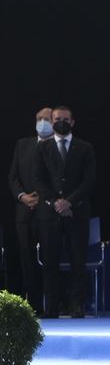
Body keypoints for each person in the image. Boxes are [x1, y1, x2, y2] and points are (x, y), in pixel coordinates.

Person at [28, 105, 95, 318]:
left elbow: (89, 180)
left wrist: (70, 203)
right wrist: (55, 202)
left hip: (77, 212)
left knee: (78, 261)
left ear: (73, 122)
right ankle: (53, 306)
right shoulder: (42, 148)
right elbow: (38, 179)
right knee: (50, 261)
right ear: (52, 120)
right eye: (57, 119)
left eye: (65, 119)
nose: (61, 122)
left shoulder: (85, 148)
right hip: (49, 214)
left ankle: (76, 305)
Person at [8, 107, 52, 313]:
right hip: (24, 212)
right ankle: (32, 305)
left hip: (50, 212)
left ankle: (53, 304)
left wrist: (43, 198)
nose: (42, 122)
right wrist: (23, 197)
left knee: (50, 258)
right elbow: (13, 177)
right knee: (27, 259)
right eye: (39, 119)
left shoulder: (59, 146)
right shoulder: (22, 144)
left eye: (46, 119)